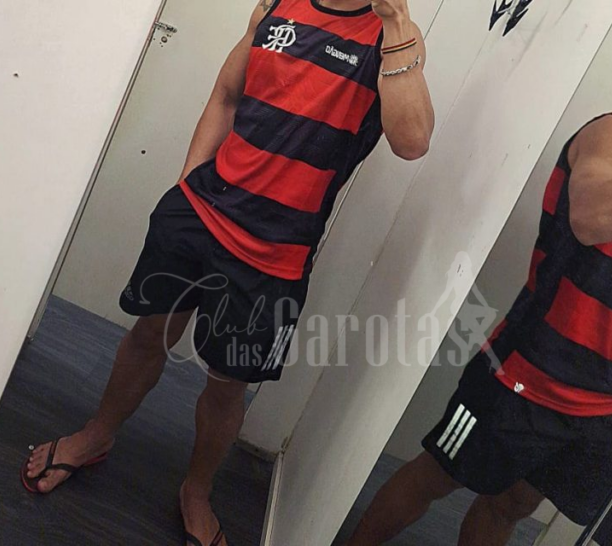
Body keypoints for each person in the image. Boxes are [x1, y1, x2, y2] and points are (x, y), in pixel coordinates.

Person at [22, 0, 434, 544]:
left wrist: (398, 21)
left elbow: (412, 142)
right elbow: (226, 95)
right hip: (199, 215)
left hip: (274, 256)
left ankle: (196, 491)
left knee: (225, 387)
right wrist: (186, 189)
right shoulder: (277, 5)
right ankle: (97, 434)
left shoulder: (393, 38)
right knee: (148, 336)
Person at [346, 108, 612, 546]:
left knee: (513, 504)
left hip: (602, 398)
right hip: (525, 374)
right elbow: (590, 219)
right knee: (438, 474)